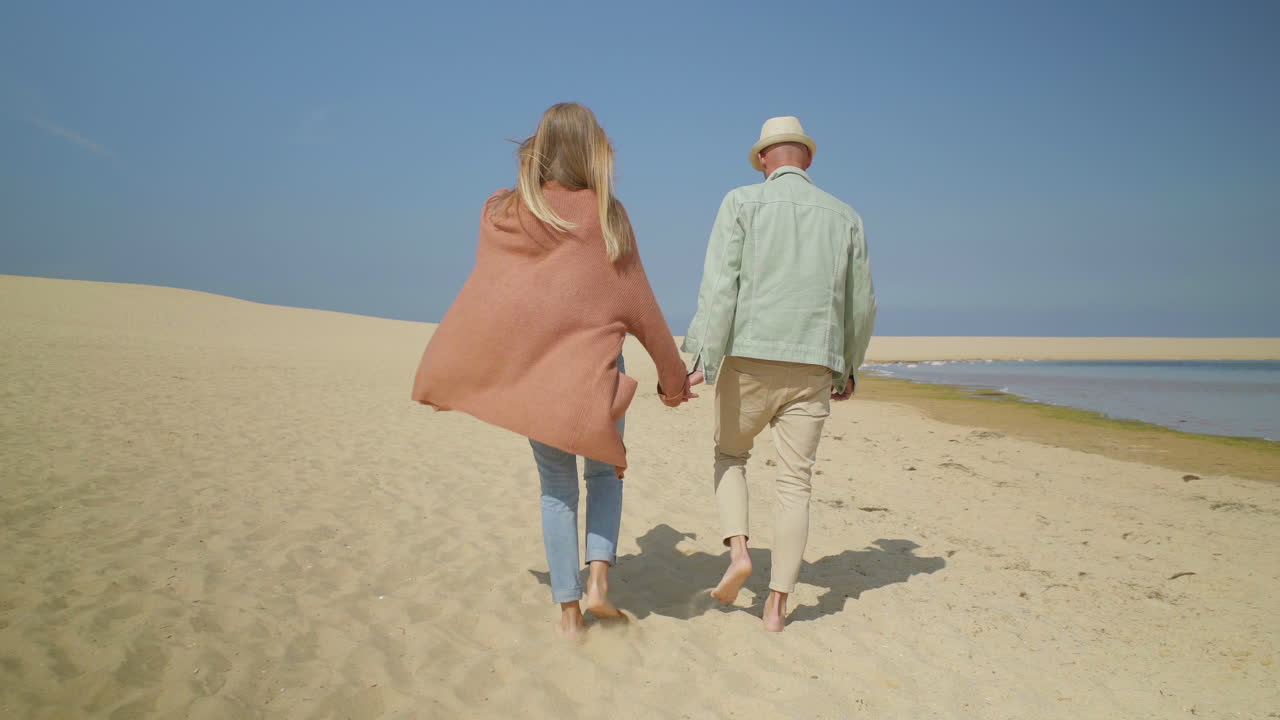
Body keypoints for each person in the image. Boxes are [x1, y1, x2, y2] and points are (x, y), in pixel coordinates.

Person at [411, 103, 698, 635]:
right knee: (605, 477)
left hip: (536, 379)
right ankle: (598, 584)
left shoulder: (504, 211)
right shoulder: (608, 214)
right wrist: (674, 382)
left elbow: (492, 297)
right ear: (594, 150)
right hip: (595, 377)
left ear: (540, 147)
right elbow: (642, 307)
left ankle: (569, 613)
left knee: (556, 489)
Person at [682, 116, 877, 632]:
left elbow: (721, 287)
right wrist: (849, 365)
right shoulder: (846, 216)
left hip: (748, 354)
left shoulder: (741, 201)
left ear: (765, 159)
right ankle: (777, 606)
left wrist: (699, 357)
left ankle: (740, 553)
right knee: (796, 483)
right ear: (806, 160)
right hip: (814, 362)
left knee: (730, 454)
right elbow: (861, 305)